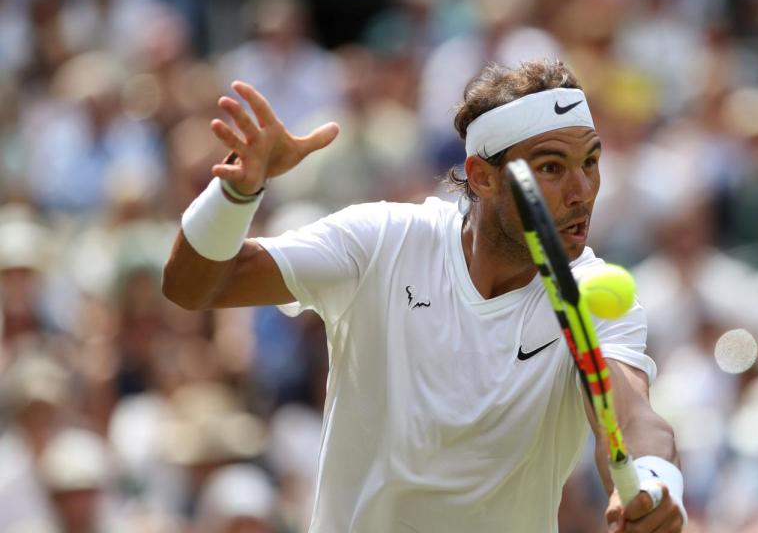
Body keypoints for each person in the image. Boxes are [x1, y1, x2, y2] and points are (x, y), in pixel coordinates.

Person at [163, 58, 686, 532]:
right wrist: (236, 194)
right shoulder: (383, 242)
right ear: (482, 177)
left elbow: (634, 418)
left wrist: (657, 482)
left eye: (590, 162)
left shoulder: (594, 295)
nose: (583, 191)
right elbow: (191, 285)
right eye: (551, 168)